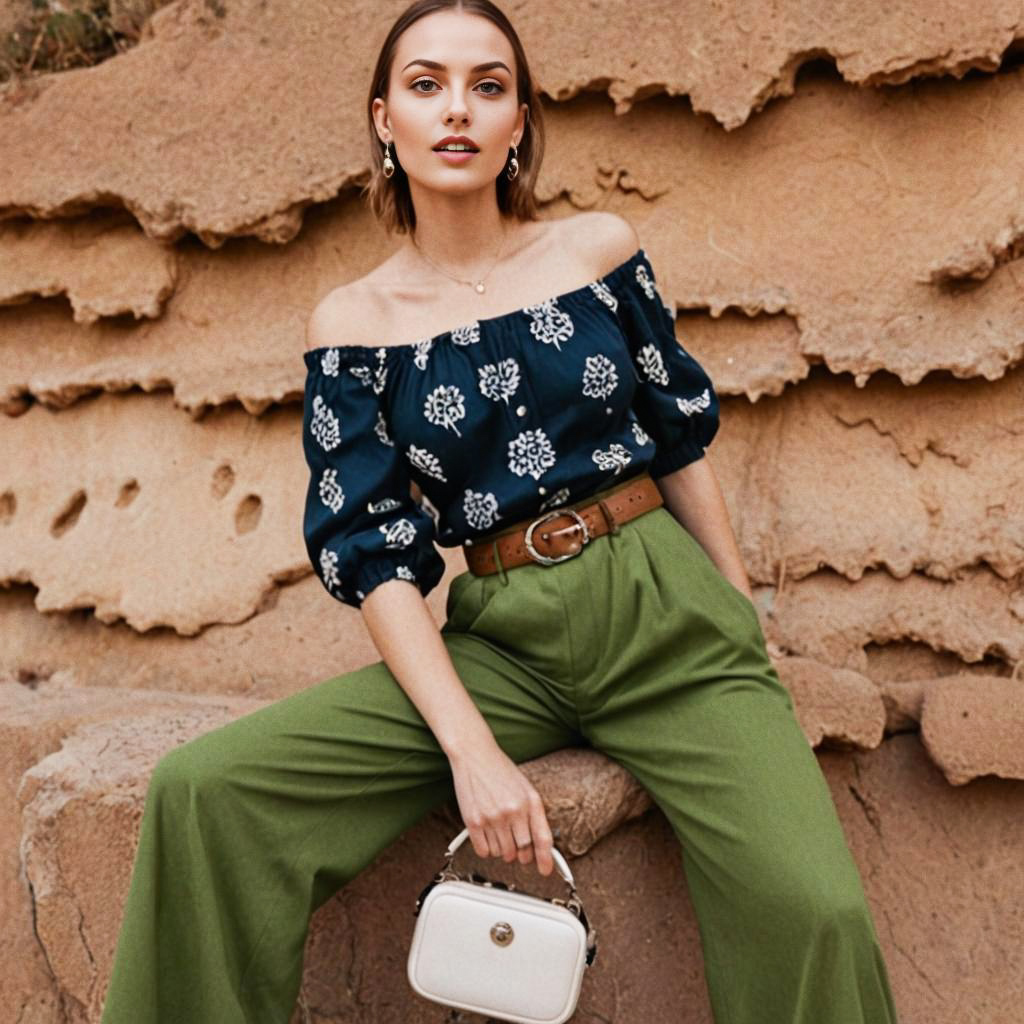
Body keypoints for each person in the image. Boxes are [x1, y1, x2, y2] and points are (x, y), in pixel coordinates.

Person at [99, 1, 901, 1021]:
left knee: (817, 908)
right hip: (505, 639)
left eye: (487, 86)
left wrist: (738, 617)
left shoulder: (596, 251)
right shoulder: (353, 326)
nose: (457, 110)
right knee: (203, 790)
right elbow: (375, 554)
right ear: (383, 118)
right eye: (425, 84)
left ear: (519, 120)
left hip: (667, 615)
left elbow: (678, 434)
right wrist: (472, 753)